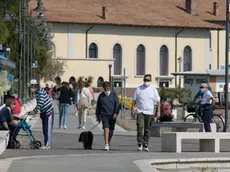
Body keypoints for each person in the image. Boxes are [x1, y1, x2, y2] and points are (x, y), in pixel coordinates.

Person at [131, 74, 160, 151]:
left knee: (147, 129)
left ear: (150, 81)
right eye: (145, 80)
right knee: (140, 127)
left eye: (148, 80)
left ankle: (146, 143)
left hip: (149, 112)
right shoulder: (139, 89)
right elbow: (134, 100)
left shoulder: (153, 90)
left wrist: (158, 111)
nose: (146, 81)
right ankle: (140, 142)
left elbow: (158, 101)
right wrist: (133, 109)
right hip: (140, 111)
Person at [96, 81, 120, 151]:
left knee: (111, 131)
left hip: (112, 114)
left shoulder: (114, 94)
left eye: (108, 88)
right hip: (104, 114)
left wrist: (116, 113)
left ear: (110, 87)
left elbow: (117, 104)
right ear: (103, 88)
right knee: (106, 128)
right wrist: (98, 115)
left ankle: (109, 140)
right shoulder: (101, 96)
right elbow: (98, 106)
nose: (107, 90)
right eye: (105, 88)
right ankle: (106, 144)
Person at [30, 79, 53, 149]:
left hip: (48, 111)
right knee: (44, 129)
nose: (32, 88)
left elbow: (41, 103)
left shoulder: (40, 92)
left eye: (32, 86)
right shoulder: (38, 92)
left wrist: (34, 111)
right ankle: (46, 143)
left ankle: (47, 144)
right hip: (44, 111)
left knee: (47, 129)